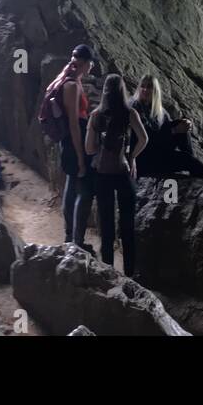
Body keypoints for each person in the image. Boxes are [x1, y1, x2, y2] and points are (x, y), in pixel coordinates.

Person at [129, 75, 203, 193]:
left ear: (156, 91)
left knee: (180, 123)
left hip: (157, 151)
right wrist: (173, 131)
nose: (145, 90)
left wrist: (186, 124)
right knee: (184, 154)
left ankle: (191, 162)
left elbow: (166, 128)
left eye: (149, 87)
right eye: (142, 86)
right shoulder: (135, 108)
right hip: (143, 158)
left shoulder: (159, 111)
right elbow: (146, 138)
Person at [83, 74, 148, 276]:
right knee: (127, 226)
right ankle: (129, 273)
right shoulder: (130, 114)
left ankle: (108, 271)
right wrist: (131, 157)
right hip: (123, 173)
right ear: (123, 91)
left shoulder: (96, 115)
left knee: (107, 225)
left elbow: (89, 149)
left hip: (102, 175)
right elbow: (144, 139)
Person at [43, 45, 94, 246]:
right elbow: (74, 123)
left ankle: (70, 237)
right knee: (81, 189)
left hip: (67, 140)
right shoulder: (71, 85)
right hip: (74, 141)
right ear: (87, 63)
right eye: (89, 63)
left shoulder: (65, 77)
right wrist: (81, 157)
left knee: (72, 186)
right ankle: (75, 240)